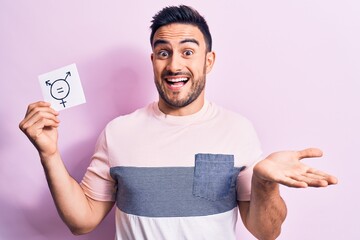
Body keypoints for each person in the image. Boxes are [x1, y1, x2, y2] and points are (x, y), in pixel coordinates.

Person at [19, 5, 337, 240]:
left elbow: (267, 232)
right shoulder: (118, 132)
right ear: (153, 60)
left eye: (188, 51)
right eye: (163, 53)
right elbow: (82, 220)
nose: (174, 65)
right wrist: (48, 154)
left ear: (207, 61)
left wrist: (265, 182)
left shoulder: (238, 130)